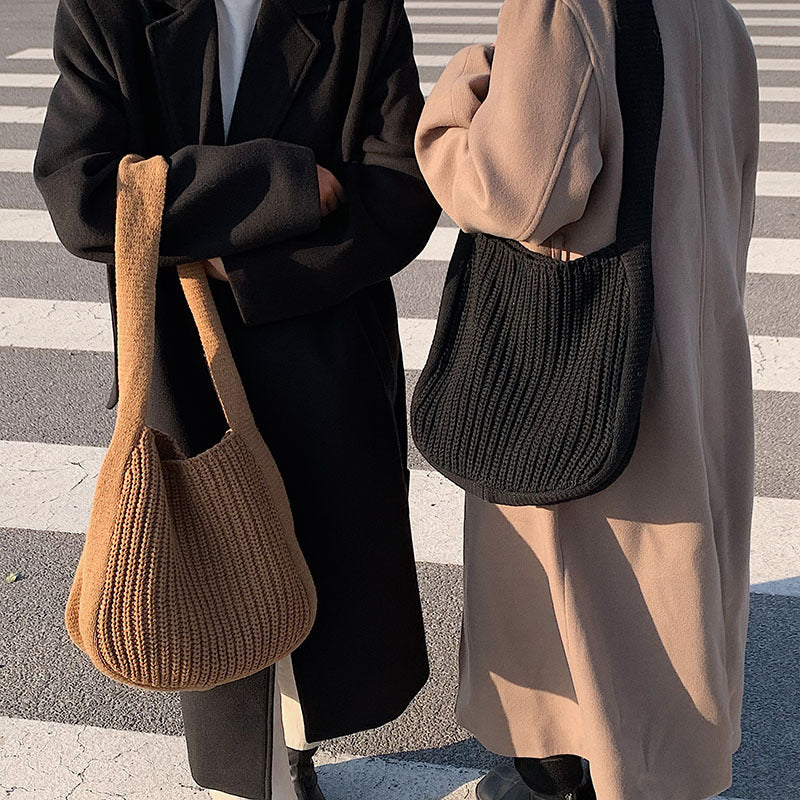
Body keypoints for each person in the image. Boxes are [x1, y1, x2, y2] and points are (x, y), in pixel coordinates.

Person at [34, 0, 441, 796]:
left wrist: (246, 270)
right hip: (182, 353)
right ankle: (255, 775)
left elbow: (399, 192)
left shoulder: (361, 10)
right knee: (209, 579)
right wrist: (285, 182)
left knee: (322, 580)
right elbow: (78, 191)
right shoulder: (108, 9)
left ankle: (299, 752)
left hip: (324, 342)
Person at [414, 0, 759, 799]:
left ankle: (571, 774)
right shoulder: (717, 15)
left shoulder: (563, 7)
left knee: (580, 611)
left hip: (593, 365)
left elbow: (515, 194)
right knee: (673, 598)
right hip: (692, 343)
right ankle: (660, 766)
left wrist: (462, 89)